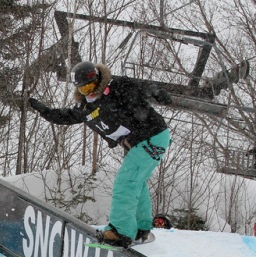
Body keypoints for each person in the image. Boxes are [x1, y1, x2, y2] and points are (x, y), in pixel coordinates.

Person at [28, 61, 172, 247]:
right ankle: (141, 227)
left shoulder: (116, 87)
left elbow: (142, 86)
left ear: (98, 79)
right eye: (85, 88)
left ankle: (121, 232)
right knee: (136, 181)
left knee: (126, 181)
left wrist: (156, 91)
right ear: (79, 89)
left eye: (92, 85)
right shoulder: (85, 109)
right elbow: (64, 117)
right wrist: (44, 110)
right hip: (139, 143)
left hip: (151, 134)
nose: (90, 91)